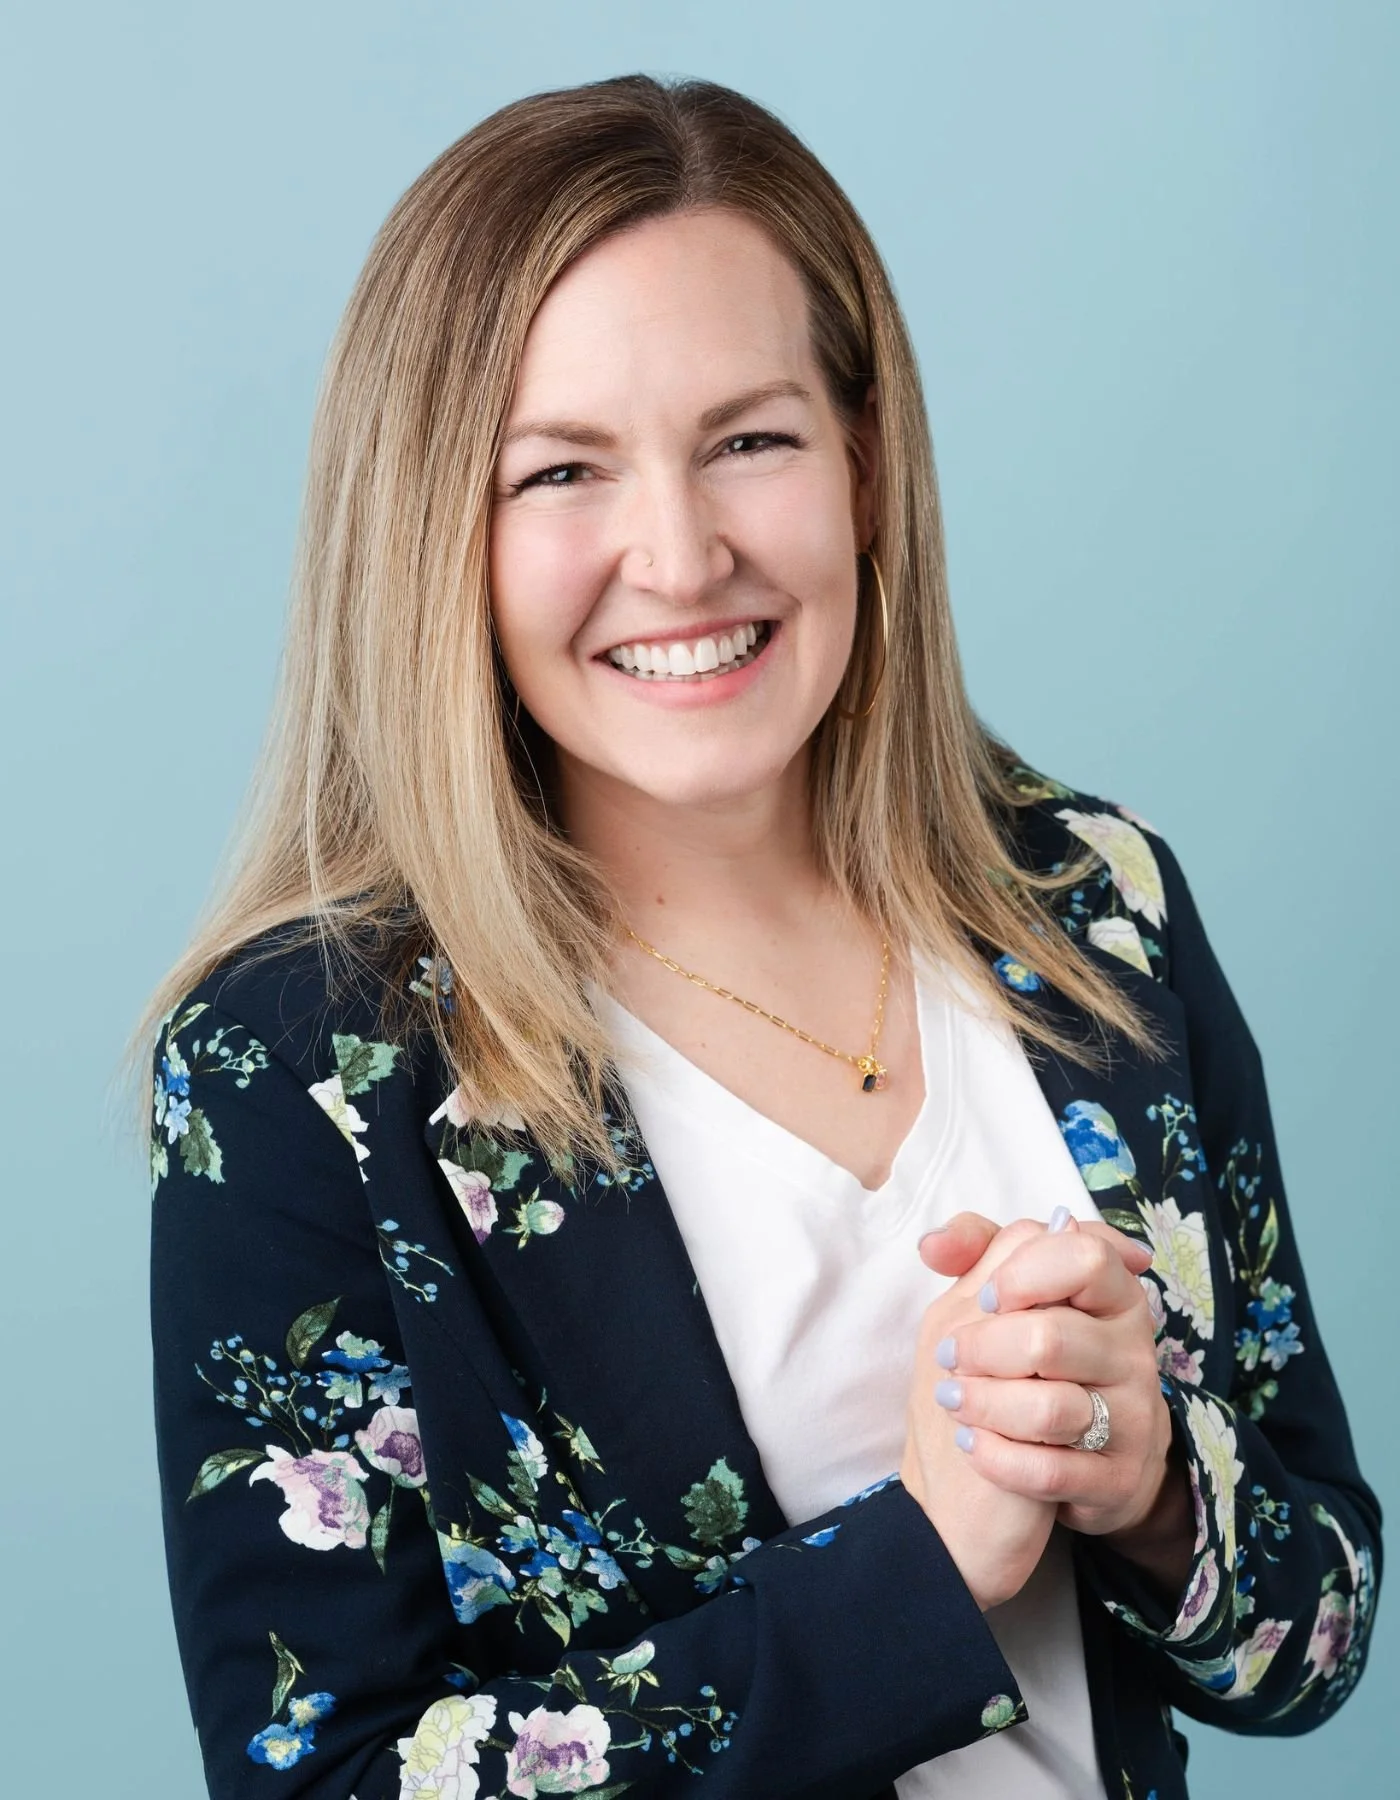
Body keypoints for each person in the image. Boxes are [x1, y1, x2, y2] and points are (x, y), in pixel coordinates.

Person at [141, 73, 1381, 1800]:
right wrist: (920, 1575)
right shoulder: (298, 1067)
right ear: (438, 535)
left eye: (750, 439)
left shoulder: (1101, 907)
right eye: (563, 469)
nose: (681, 553)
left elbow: (1320, 1637)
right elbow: (326, 1780)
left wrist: (1155, 1479)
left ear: (864, 467)